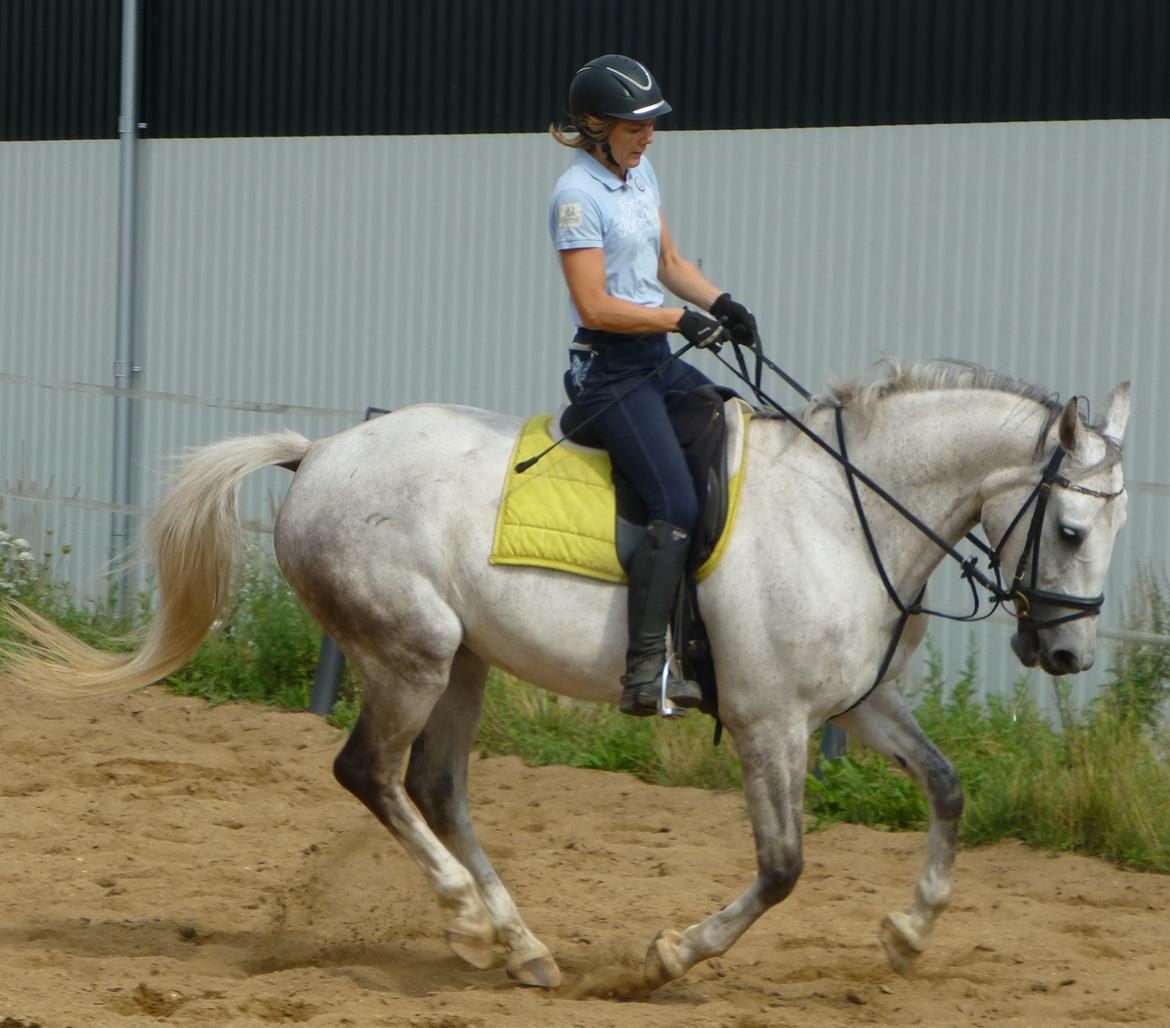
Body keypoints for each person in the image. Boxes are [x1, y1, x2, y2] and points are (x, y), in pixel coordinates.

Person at [547, 54, 760, 717]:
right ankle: (646, 673)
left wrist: (722, 303)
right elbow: (593, 306)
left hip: (654, 358)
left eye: (651, 125)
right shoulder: (576, 197)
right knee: (676, 499)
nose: (648, 137)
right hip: (610, 370)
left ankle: (709, 633)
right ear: (595, 125)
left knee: (732, 423)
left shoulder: (639, 176)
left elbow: (668, 262)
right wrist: (676, 317)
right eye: (636, 126)